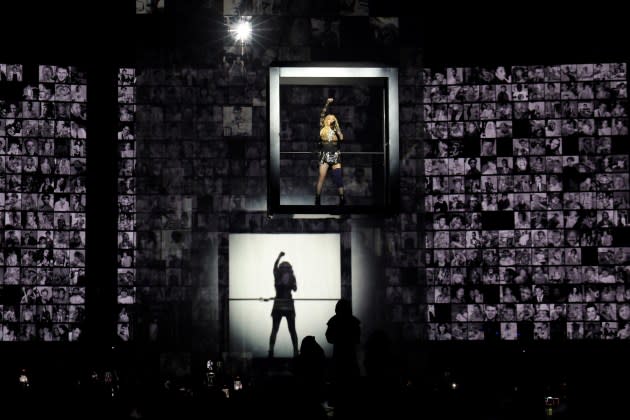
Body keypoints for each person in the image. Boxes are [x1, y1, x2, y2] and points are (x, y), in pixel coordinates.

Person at [326, 298, 361, 413]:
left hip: (338, 359)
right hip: (350, 359)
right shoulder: (354, 322)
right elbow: (357, 339)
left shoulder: (334, 321)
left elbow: (329, 338)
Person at [268, 251, 298, 358]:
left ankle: (295, 351)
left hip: (286, 305)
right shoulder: (279, 276)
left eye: (286, 268)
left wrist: (288, 281)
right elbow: (295, 288)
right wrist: (278, 257)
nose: (285, 270)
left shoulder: (286, 276)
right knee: (277, 329)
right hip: (281, 304)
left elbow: (295, 288)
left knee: (290, 330)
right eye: (284, 268)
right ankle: (272, 350)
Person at [315, 97, 345, 205]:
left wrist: (337, 131)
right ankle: (317, 199)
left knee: (338, 177)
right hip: (324, 154)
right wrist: (327, 103)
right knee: (321, 177)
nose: (330, 120)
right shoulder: (322, 128)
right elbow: (322, 114)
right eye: (329, 118)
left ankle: (342, 199)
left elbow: (341, 138)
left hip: (335, 154)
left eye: (332, 119)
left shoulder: (336, 129)